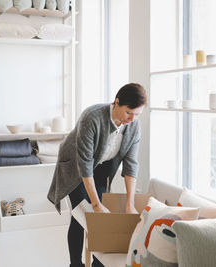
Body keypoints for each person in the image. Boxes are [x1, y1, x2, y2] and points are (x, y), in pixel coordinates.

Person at [47, 83, 147, 267]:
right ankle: (75, 264)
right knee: (82, 216)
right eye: (128, 112)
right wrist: (96, 204)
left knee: (101, 219)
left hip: (102, 168)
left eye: (137, 114)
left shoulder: (133, 126)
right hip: (76, 168)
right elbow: (84, 164)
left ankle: (98, 264)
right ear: (116, 103)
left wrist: (130, 203)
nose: (132, 119)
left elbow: (131, 165)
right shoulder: (92, 117)